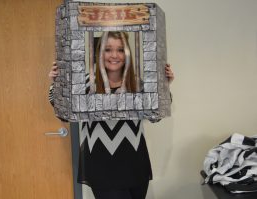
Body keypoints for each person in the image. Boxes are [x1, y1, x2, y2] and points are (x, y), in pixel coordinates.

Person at [49, 31, 174, 199]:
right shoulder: (85, 84)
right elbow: (64, 115)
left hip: (135, 164)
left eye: (120, 50)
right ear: (100, 52)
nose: (114, 55)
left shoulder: (137, 84)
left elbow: (155, 116)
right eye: (108, 49)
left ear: (127, 53)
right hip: (101, 166)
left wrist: (166, 86)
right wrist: (56, 85)